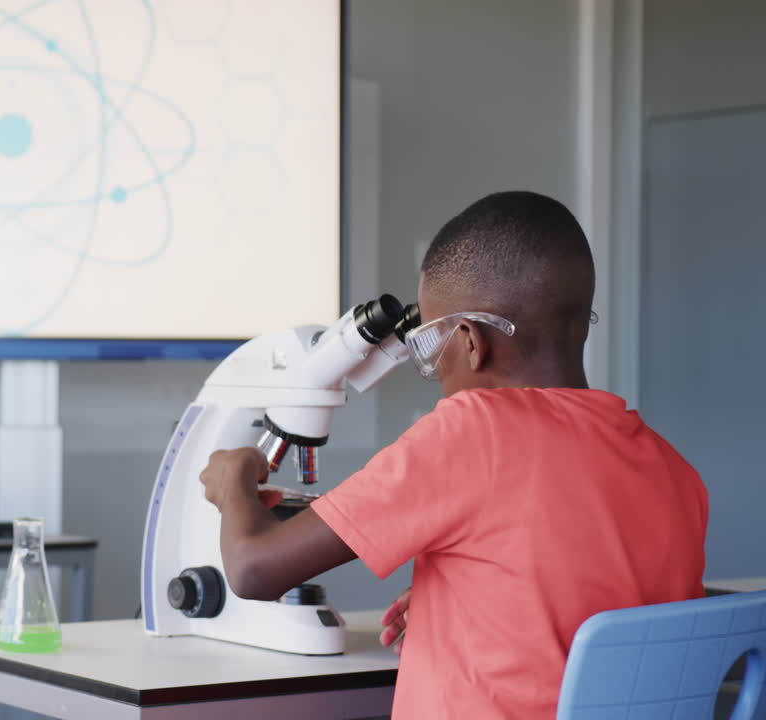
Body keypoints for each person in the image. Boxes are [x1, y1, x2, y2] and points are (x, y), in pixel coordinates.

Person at [198, 191, 707, 719]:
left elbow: (254, 569)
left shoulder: (473, 431)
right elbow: (612, 610)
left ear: (468, 341)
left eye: (429, 348)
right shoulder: (672, 469)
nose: (435, 370)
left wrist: (233, 482)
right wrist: (480, 597)